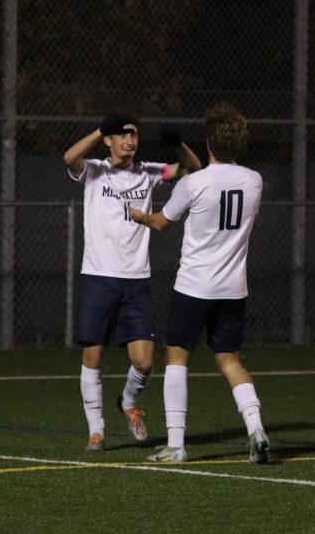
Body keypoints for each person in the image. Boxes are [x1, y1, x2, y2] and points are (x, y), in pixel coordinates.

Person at [128, 102, 268, 464]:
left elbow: (161, 223)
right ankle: (256, 428)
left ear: (208, 142)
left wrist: (139, 216)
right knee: (230, 361)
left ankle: (176, 445)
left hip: (193, 287)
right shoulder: (255, 180)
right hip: (233, 290)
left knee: (176, 357)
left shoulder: (193, 183)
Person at [64, 113, 202, 452]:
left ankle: (127, 402)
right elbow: (69, 157)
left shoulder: (150, 172)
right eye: (122, 135)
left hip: (136, 280)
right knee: (93, 357)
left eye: (134, 135)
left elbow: (192, 169)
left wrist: (179, 145)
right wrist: (100, 128)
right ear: (109, 141)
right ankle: (96, 430)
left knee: (144, 362)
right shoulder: (95, 171)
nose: (130, 140)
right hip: (98, 277)